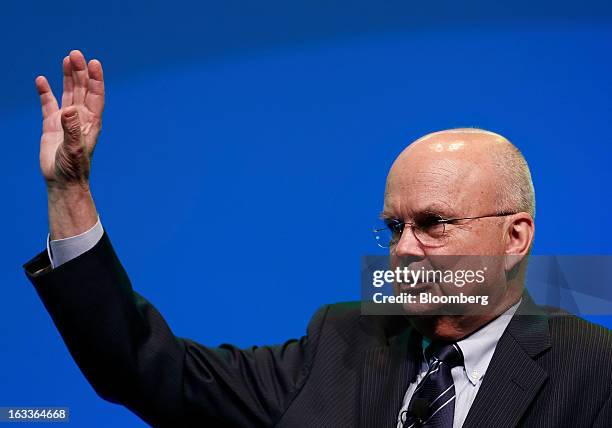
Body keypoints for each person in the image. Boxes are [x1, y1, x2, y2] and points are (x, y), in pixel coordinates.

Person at [24, 50, 611, 428]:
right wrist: (70, 190)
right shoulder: (342, 341)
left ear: (515, 237)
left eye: (434, 224)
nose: (404, 249)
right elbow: (146, 370)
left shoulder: (593, 371)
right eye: (394, 228)